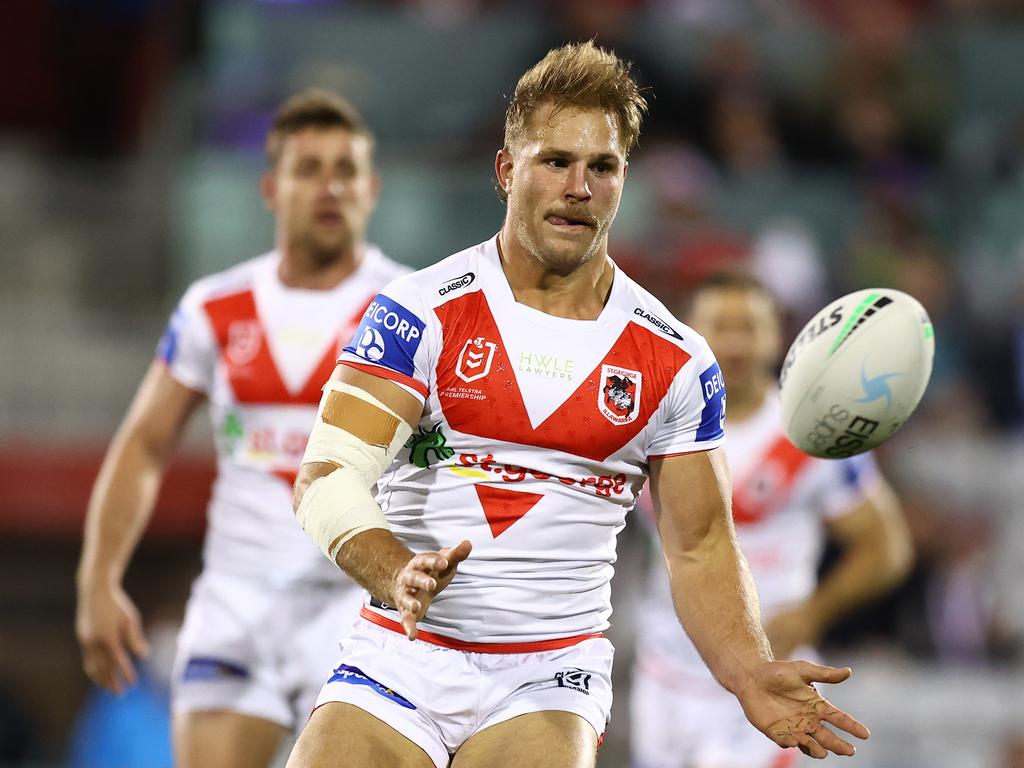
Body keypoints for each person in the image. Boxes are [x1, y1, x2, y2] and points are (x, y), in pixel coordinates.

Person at [288, 42, 871, 768]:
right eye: (555, 161)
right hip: (401, 655)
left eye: (602, 167)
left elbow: (699, 545)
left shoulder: (675, 360)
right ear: (507, 171)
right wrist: (391, 569)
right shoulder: (419, 314)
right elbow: (328, 476)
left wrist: (747, 668)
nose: (578, 186)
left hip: (547, 678)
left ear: (626, 181)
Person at [75, 89, 408, 768]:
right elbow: (144, 443)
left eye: (345, 169)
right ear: (269, 188)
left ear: (371, 188)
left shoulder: (409, 310)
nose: (329, 185)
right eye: (307, 167)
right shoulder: (214, 308)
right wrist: (97, 581)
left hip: (357, 604)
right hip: (238, 597)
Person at [630, 272, 914, 768]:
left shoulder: (813, 432)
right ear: (685, 330)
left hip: (769, 674)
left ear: (777, 336)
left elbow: (887, 547)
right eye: (720, 324)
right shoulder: (646, 423)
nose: (736, 341)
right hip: (665, 675)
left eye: (750, 326)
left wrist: (812, 614)